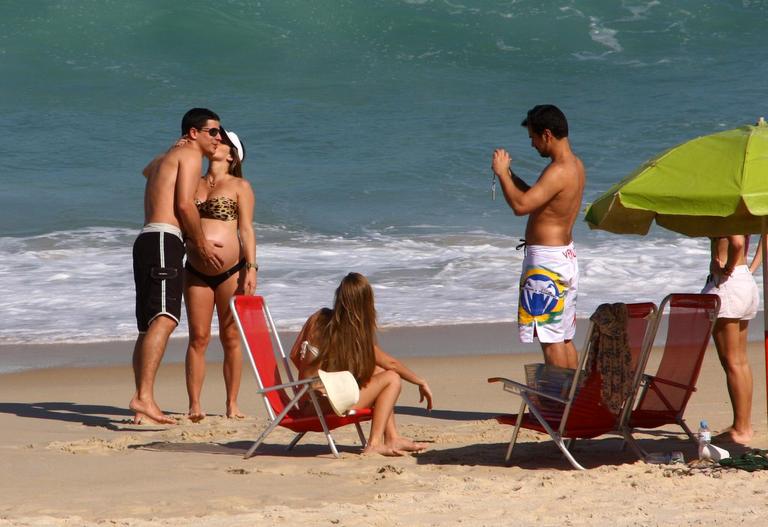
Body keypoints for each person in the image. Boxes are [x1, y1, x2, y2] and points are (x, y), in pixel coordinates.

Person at [130, 108, 225, 424]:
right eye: (212, 131)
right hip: (163, 239)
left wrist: (175, 150)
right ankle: (143, 398)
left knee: (148, 327)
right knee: (166, 318)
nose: (218, 138)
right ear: (194, 132)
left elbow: (148, 171)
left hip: (146, 238)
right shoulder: (190, 154)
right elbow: (184, 204)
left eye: (220, 132)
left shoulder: (167, 157)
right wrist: (199, 243)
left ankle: (143, 401)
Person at [290, 273, 433, 456]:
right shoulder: (353, 333)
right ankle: (374, 443)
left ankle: (392, 437)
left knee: (378, 371)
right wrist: (421, 381)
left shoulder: (318, 318)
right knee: (391, 378)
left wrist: (319, 378)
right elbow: (392, 363)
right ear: (365, 304)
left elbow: (295, 355)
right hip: (323, 407)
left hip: (304, 401)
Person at [490, 104, 585, 369]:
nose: (532, 144)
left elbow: (520, 206)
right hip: (564, 257)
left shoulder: (557, 170)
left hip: (546, 263)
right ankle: (571, 402)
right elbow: (536, 199)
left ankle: (558, 404)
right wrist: (509, 175)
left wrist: (500, 174)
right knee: (563, 337)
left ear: (547, 134)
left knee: (549, 339)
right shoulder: (575, 165)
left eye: (532, 137)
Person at [183, 129, 257, 421]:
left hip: (231, 272)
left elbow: (247, 230)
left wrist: (251, 268)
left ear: (232, 155)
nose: (216, 142)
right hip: (196, 270)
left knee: (231, 338)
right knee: (198, 338)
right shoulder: (192, 183)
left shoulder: (240, 186)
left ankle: (232, 404)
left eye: (223, 141)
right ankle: (195, 406)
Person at [702, 235, 759, 444]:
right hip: (744, 280)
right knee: (740, 361)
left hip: (728, 283)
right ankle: (744, 425)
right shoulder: (745, 207)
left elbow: (736, 242)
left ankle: (740, 428)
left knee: (731, 361)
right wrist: (749, 267)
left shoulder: (727, 210)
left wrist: (727, 267)